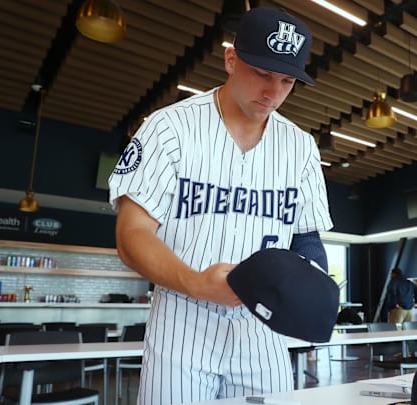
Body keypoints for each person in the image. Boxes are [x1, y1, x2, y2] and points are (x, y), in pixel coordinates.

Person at [108, 7, 332, 405]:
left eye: (286, 80)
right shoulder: (170, 127)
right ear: (230, 58)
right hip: (182, 323)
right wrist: (197, 283)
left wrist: (312, 282)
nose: (273, 92)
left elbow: (306, 236)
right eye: (262, 73)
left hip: (262, 331)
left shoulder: (300, 147)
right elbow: (131, 234)